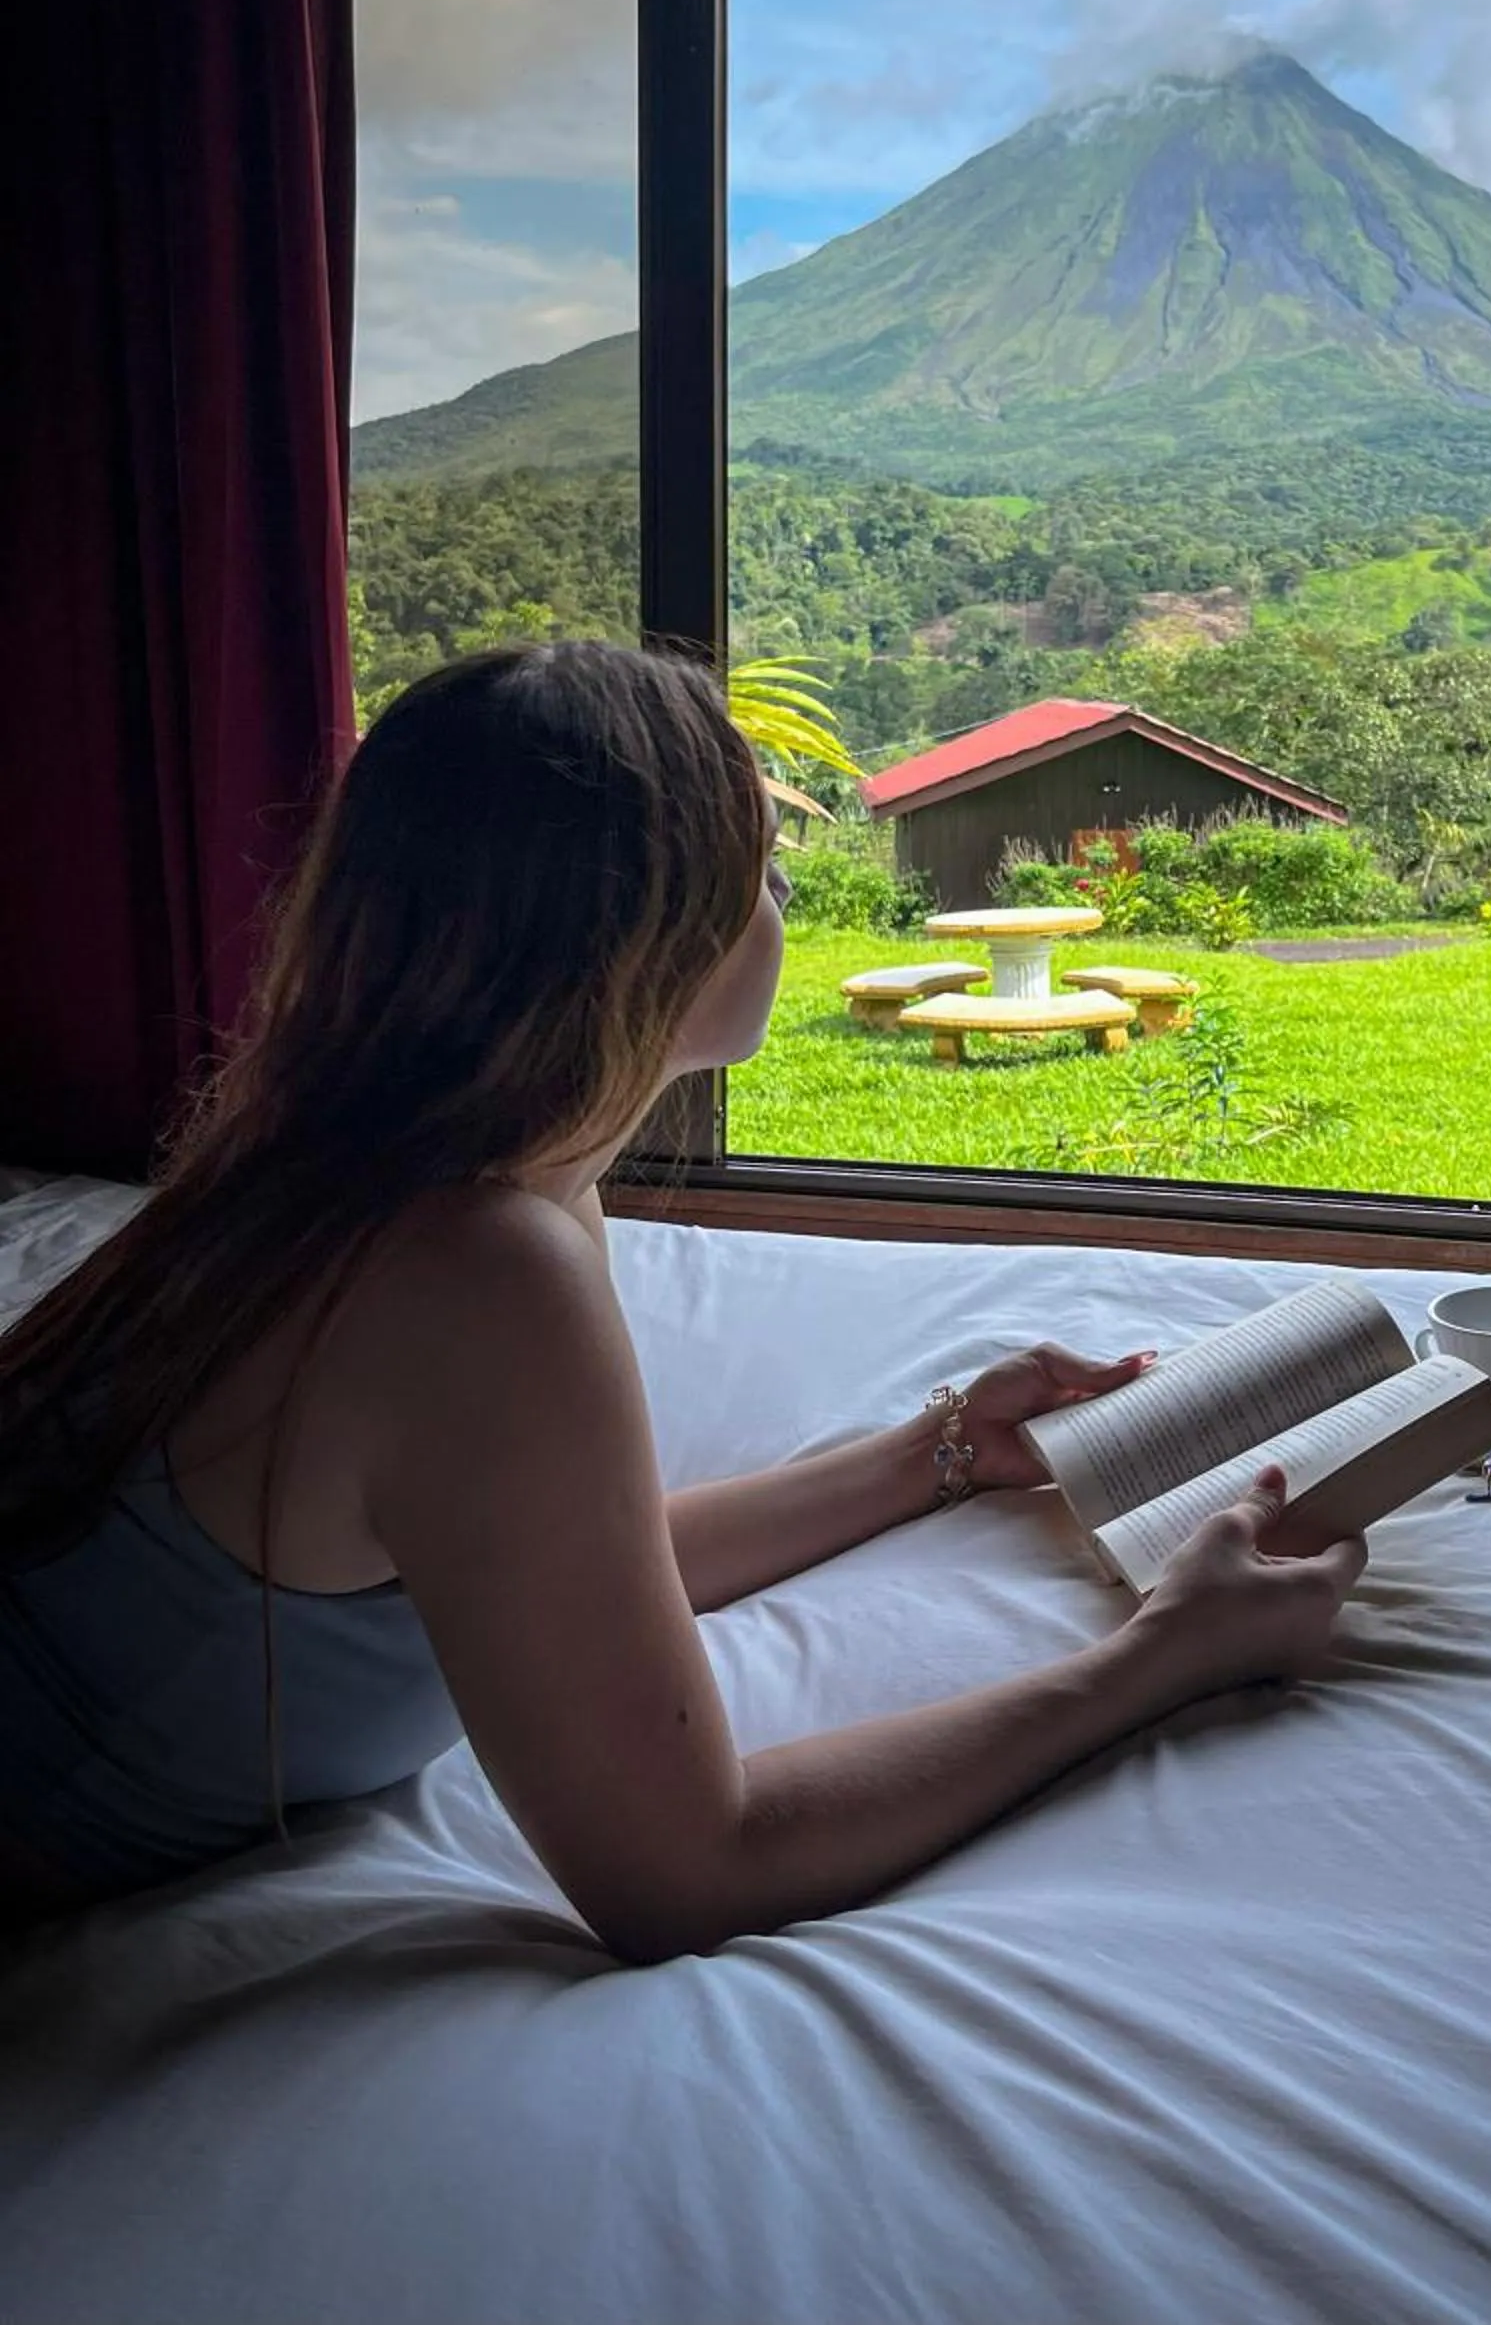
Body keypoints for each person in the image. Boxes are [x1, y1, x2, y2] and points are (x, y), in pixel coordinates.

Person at [0, 642, 1364, 1955]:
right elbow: (688, 1873)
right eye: (756, 878)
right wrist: (1164, 1660)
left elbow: (554, 1565)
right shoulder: (477, 1272)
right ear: (640, 944)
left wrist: (933, 1455)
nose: (776, 907)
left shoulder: (407, 1161)